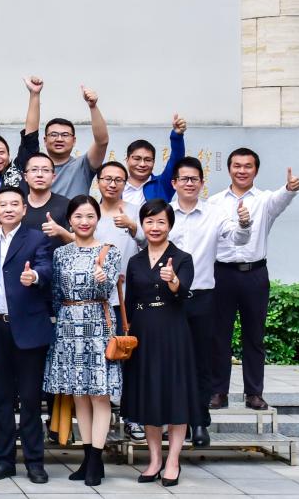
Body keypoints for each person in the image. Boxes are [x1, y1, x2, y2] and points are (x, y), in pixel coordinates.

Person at [209, 149, 299, 410]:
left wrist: (290, 188)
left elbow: (282, 198)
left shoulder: (264, 200)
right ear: (229, 169)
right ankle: (218, 392)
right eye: (237, 165)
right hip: (222, 273)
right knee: (219, 336)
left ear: (256, 170)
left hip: (255, 274)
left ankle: (254, 393)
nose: (242, 170)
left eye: (248, 166)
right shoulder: (214, 202)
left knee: (254, 336)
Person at [169, 156, 251, 446]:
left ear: (202, 183)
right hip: (170, 299)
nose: (189, 183)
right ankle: (177, 421)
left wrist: (244, 223)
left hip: (203, 297)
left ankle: (200, 421)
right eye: (184, 179)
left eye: (195, 179)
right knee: (173, 362)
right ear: (174, 183)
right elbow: (146, 241)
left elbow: (238, 238)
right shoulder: (165, 213)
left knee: (203, 362)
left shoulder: (215, 213)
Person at [0, 186, 53, 484]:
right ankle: (4, 460)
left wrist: (35, 276)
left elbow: (47, 267)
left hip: (29, 329)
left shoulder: (36, 238)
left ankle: (35, 462)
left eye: (14, 204)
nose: (8, 209)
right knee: (0, 399)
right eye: (2, 204)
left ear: (23, 209)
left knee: (30, 400)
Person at [43, 195, 122, 487]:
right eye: (78, 216)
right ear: (69, 220)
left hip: (98, 324)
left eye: (90, 216)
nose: (84, 222)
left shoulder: (109, 251)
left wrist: (102, 279)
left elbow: (110, 287)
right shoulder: (60, 253)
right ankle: (87, 458)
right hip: (67, 325)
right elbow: (55, 293)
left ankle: (96, 460)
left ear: (97, 219)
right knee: (78, 393)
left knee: (99, 394)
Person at [120, 199, 197, 487]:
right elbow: (130, 302)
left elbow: (183, 292)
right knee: (149, 395)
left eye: (161, 222)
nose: (155, 227)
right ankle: (154, 460)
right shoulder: (135, 260)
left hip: (173, 331)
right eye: (149, 221)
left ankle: (173, 461)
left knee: (175, 394)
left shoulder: (182, 258)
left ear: (170, 225)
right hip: (143, 332)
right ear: (142, 224)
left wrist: (173, 281)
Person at [92, 161, 145, 440]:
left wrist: (133, 227)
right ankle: (100, 417)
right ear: (98, 181)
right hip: (93, 298)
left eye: (118, 180)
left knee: (128, 355)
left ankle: (133, 417)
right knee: (100, 357)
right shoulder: (90, 211)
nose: (112, 184)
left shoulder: (135, 211)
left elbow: (151, 242)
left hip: (126, 297)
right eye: (107, 178)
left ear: (125, 183)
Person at [0, 76, 43, 202]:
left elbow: (30, 137)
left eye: (1, 152)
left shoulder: (17, 170)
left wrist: (34, 95)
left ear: (9, 155)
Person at [45, 85, 109, 198]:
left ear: (74, 141)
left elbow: (102, 142)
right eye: (54, 134)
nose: (59, 139)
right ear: (45, 140)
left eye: (65, 135)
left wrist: (93, 107)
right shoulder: (36, 168)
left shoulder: (83, 166)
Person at [122, 113, 187, 206]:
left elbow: (176, 160)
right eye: (137, 158)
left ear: (154, 162)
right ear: (127, 160)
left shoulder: (162, 184)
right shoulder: (116, 186)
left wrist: (177, 136)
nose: (142, 164)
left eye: (148, 160)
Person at [19, 152, 72, 249]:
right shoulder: (17, 206)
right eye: (34, 170)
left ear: (53, 177)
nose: (39, 175)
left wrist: (61, 232)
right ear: (25, 177)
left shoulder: (67, 205)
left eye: (45, 170)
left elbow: (81, 241)